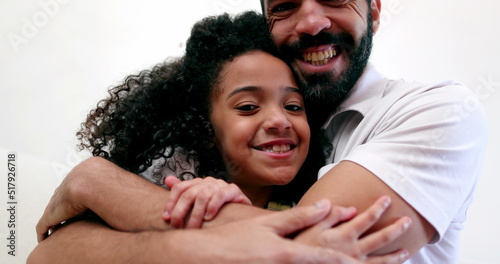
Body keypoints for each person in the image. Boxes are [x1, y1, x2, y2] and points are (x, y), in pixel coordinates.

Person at [31, 0, 487, 262]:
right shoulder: (206, 160)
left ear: (375, 8)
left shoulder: (436, 110)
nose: (311, 22)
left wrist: (97, 183)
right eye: (286, 6)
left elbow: (309, 253)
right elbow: (49, 255)